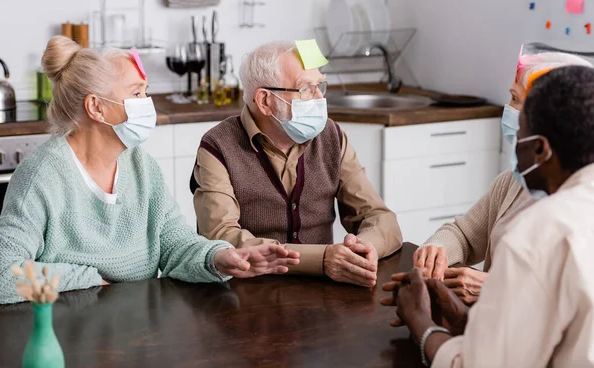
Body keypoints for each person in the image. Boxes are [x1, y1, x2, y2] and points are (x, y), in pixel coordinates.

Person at [0, 36, 300, 305]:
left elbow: (173, 243)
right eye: (137, 93)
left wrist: (218, 258)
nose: (148, 103)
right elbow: (0, 274)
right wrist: (87, 278)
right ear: (96, 107)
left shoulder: (142, 166)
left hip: (134, 330)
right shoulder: (42, 176)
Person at [382, 65, 594, 367]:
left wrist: (421, 322)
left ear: (541, 149)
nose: (513, 139)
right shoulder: (522, 189)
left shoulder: (538, 233)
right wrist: (471, 321)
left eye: (521, 131)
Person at [191, 41, 402, 288]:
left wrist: (366, 248)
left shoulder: (331, 137)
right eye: (306, 89)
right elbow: (221, 237)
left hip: (326, 291)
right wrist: (320, 260)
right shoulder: (218, 146)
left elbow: (379, 217)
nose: (320, 98)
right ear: (265, 101)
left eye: (319, 85)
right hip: (246, 293)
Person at [413, 49, 593, 304]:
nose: (508, 109)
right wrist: (436, 250)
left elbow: (570, 299)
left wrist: (495, 288)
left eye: (515, 98)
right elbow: (464, 234)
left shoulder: (580, 206)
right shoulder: (514, 181)